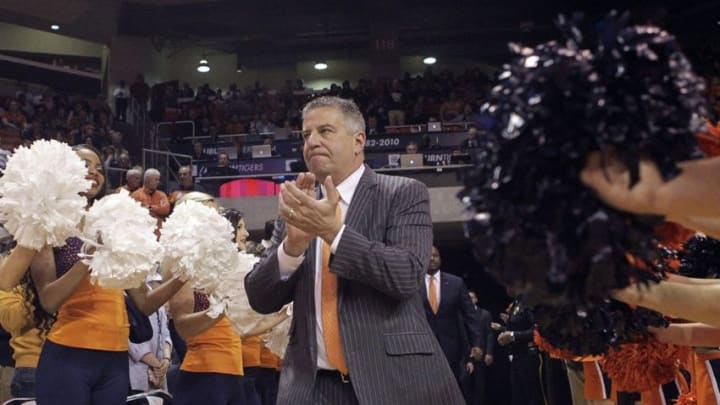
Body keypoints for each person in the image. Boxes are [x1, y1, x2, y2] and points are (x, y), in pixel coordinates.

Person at [245, 96, 463, 404]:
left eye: (325, 131)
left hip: (393, 382)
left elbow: (405, 277)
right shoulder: (299, 208)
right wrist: (292, 247)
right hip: (312, 388)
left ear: (358, 140)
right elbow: (259, 298)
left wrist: (333, 232)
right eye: (306, 135)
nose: (313, 141)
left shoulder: (402, 194)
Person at [29, 144, 186, 405]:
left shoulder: (114, 222)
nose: (93, 172)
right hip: (69, 354)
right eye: (84, 165)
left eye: (98, 168)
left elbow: (145, 303)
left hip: (115, 359)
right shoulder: (49, 226)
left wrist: (182, 276)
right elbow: (48, 300)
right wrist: (89, 257)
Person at [168, 193, 255, 405]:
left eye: (217, 215)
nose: (217, 221)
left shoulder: (220, 264)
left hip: (233, 370)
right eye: (210, 214)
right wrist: (222, 307)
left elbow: (240, 329)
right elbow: (183, 327)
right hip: (204, 374)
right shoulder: (182, 262)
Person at [421, 246, 482, 380]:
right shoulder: (414, 283)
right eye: (428, 255)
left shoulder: (456, 283)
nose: (432, 258)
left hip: (452, 347)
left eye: (435, 255)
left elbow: (471, 316)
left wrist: (476, 343)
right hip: (422, 346)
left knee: (451, 387)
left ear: (440, 259)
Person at [497, 294, 544, 405]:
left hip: (529, 355)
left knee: (533, 396)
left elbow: (538, 330)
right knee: (518, 397)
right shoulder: (517, 301)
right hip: (517, 356)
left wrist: (513, 335)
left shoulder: (530, 300)